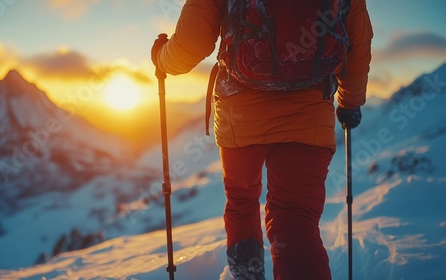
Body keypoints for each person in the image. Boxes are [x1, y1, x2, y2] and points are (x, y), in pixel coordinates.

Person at [151, 0, 372, 279]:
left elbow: (191, 44)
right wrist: (350, 103)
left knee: (242, 203)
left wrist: (161, 57)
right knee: (295, 220)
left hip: (240, 114)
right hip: (309, 115)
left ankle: (247, 274)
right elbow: (358, 44)